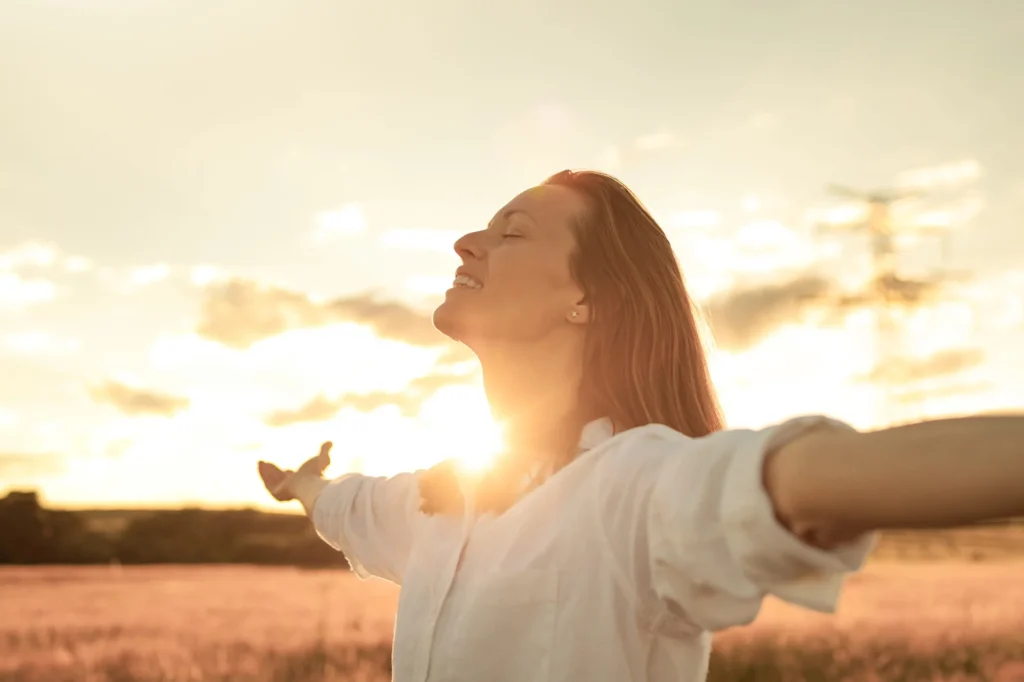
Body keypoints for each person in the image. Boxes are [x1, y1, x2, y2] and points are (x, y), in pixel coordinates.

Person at [258, 169, 1024, 682]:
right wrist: (303, 483)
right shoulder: (433, 504)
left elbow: (818, 478)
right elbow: (344, 507)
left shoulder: (636, 486)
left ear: (587, 299)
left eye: (513, 231)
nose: (468, 241)